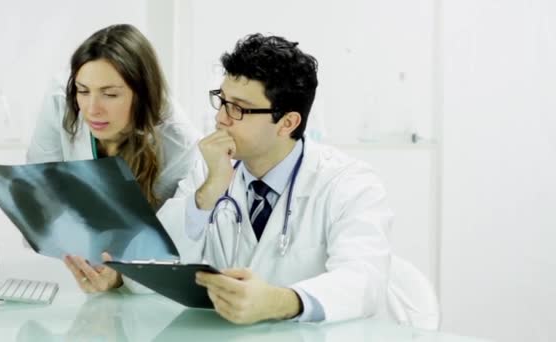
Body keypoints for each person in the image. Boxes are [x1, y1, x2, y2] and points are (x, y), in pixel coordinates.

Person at [157, 33, 393, 324]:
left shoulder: (349, 184)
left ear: (288, 123)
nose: (220, 119)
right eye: (222, 101)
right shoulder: (208, 171)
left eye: (239, 108)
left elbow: (364, 281)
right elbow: (161, 259)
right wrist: (208, 193)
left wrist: (281, 301)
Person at [26, 24, 200, 293]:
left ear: (141, 95)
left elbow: (172, 241)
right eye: (83, 91)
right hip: (74, 272)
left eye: (110, 94)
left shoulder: (178, 141)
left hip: (145, 289)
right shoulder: (61, 98)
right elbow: (39, 189)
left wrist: (120, 275)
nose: (92, 109)